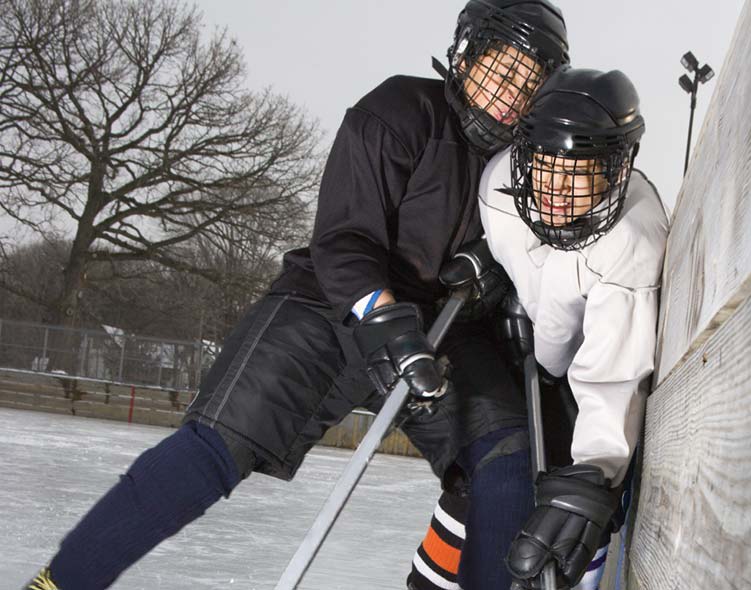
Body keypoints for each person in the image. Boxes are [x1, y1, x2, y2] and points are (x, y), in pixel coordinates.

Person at [23, 2, 568, 589]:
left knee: (506, 451)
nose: (510, 92)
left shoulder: (529, 164)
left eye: (527, 82)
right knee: (217, 445)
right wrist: (379, 314)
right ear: (467, 54)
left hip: (445, 326)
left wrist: (496, 277)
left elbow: (539, 248)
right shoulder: (399, 111)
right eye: (500, 69)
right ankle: (62, 581)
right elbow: (345, 236)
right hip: (332, 301)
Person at [408, 66, 667, 590]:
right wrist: (492, 269)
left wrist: (594, 474)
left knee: (564, 516)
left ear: (616, 170)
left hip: (578, 375)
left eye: (578, 172)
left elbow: (611, 377)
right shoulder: (500, 191)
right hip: (520, 350)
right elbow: (520, 257)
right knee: (484, 479)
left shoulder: (628, 245)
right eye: (546, 166)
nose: (554, 188)